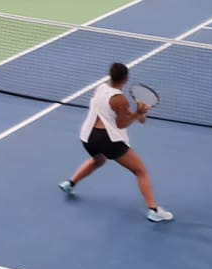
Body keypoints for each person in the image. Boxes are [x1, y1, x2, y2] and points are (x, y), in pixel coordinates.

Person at [60, 62, 170, 221]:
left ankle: (70, 183)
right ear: (126, 79)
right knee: (140, 171)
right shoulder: (120, 100)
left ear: (110, 76)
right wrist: (137, 114)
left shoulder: (99, 88)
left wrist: (137, 114)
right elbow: (121, 124)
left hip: (88, 137)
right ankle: (153, 210)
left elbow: (110, 112)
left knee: (98, 160)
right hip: (108, 140)